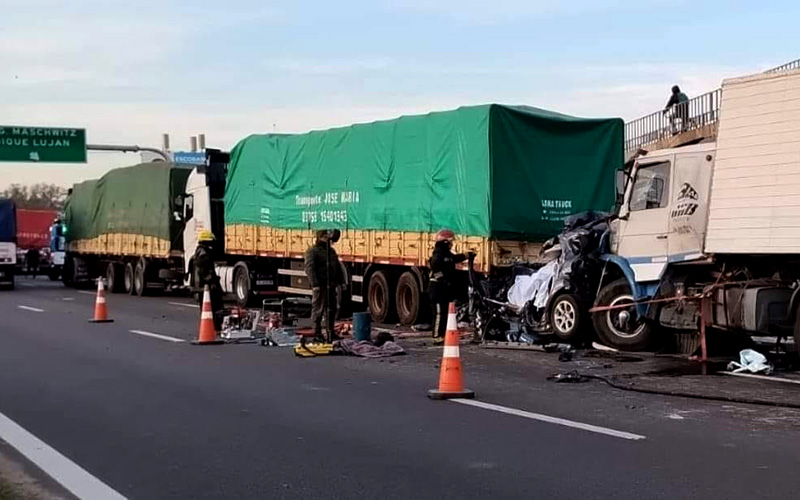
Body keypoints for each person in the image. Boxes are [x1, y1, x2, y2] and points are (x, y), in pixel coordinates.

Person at [428, 229, 473, 344]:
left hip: (444, 289)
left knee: (444, 313)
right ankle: (437, 336)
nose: (451, 244)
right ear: (445, 242)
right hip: (437, 288)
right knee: (438, 313)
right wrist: (443, 281)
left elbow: (455, 258)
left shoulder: (446, 254)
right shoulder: (438, 254)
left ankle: (443, 334)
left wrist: (467, 255)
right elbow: (435, 268)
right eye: (450, 242)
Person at [304, 230, 345, 342]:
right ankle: (317, 333)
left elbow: (338, 267)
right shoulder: (313, 251)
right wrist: (315, 284)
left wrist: (342, 282)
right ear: (320, 237)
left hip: (331, 284)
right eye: (326, 237)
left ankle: (330, 332)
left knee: (331, 309)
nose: (329, 239)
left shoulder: (331, 251)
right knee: (318, 309)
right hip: (320, 285)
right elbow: (309, 269)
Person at [193, 229, 223, 327]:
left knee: (206, 307)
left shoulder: (199, 251)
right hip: (206, 286)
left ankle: (209, 325)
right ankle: (215, 326)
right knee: (215, 306)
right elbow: (203, 271)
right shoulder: (204, 254)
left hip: (201, 286)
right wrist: (212, 281)